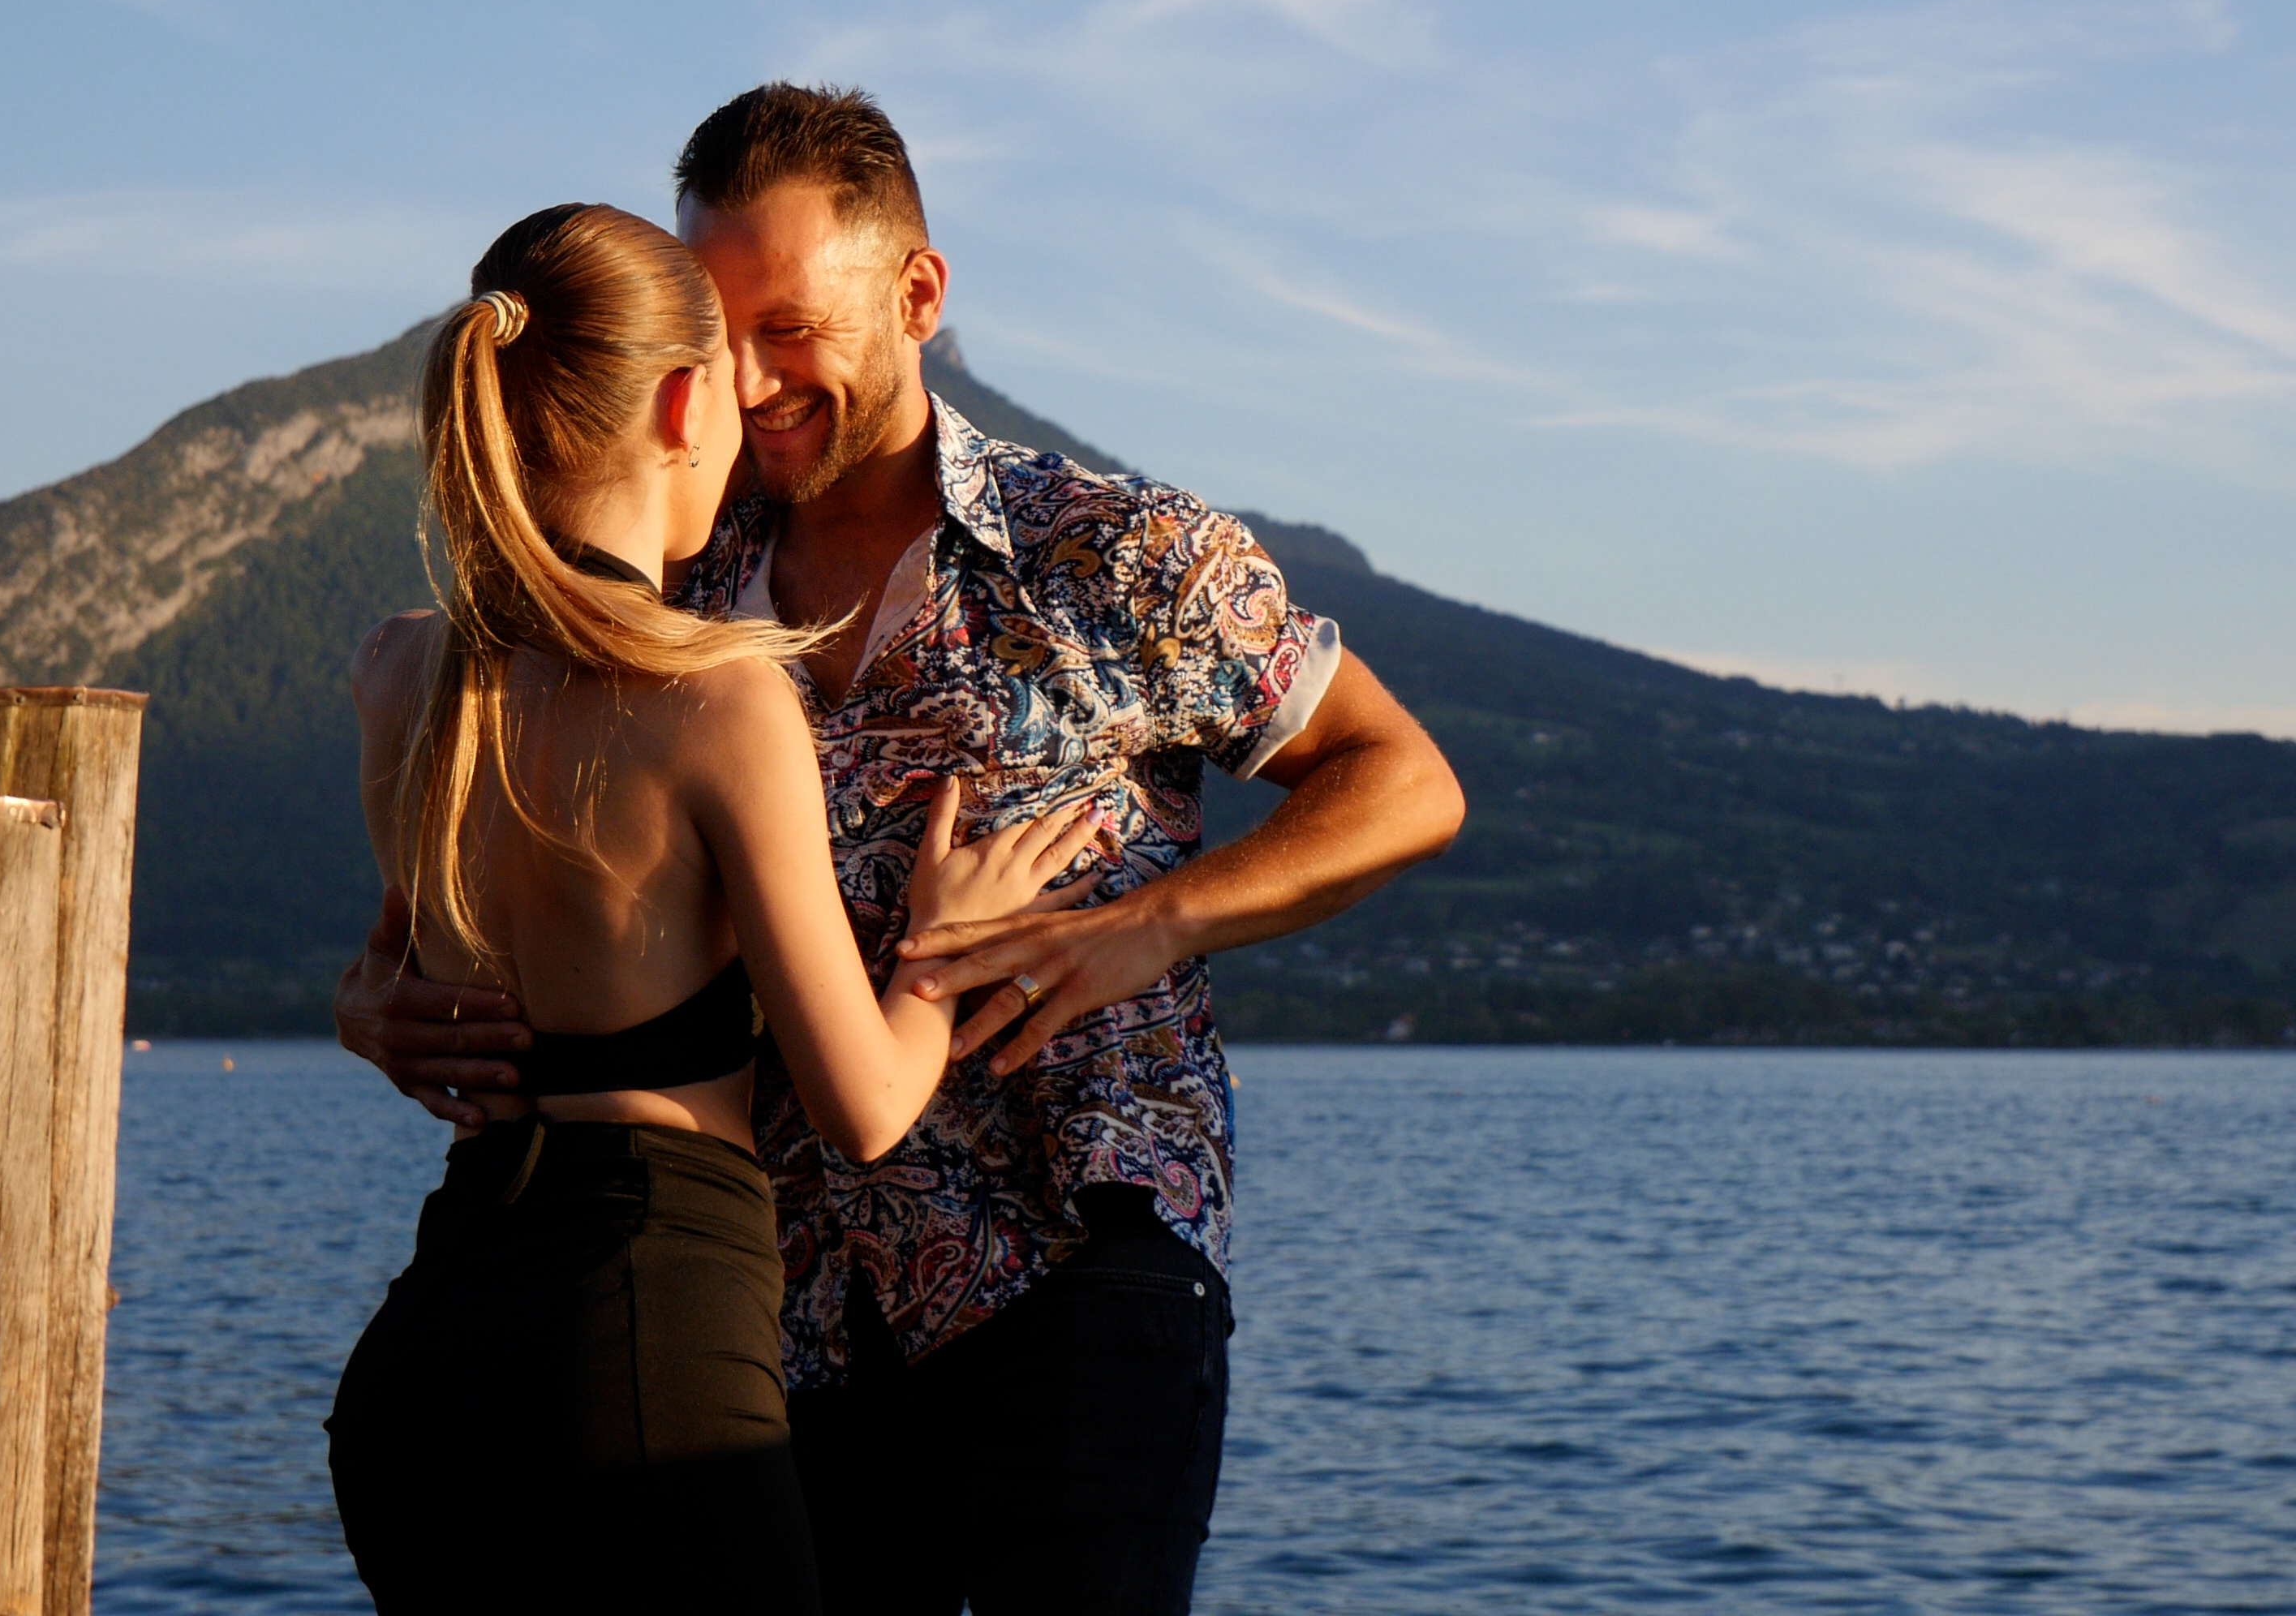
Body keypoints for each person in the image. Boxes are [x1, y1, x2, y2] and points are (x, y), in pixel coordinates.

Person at [338, 84, 1468, 1614]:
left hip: (1078, 1256)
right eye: (715, 332)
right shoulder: (673, 582)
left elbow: (1404, 782)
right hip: (768, 1319)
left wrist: (1158, 924)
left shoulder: (1120, 551)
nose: (745, 377)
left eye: (786, 327)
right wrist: (373, 1006)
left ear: (917, 293)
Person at [322, 200, 1107, 1613]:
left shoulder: (399, 672)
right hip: (638, 1337)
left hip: (428, 1349)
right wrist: (936, 951)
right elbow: (865, 1106)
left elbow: (400, 974)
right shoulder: (720, 697)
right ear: (688, 399)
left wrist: (358, 1010)